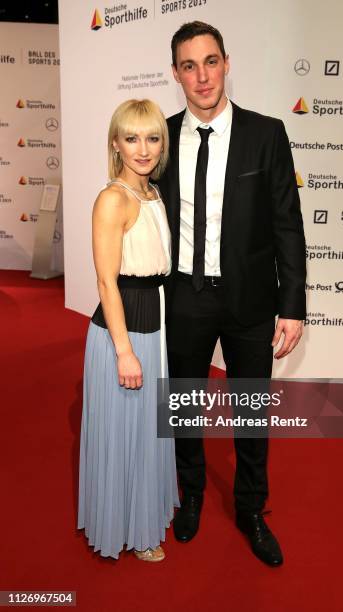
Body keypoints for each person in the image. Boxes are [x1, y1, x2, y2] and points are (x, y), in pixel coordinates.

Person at [157, 22, 306, 567]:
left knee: (250, 412)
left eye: (211, 61)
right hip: (185, 298)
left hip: (250, 303)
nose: (202, 76)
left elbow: (288, 224)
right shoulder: (162, 139)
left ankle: (250, 509)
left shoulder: (266, 134)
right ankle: (191, 493)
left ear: (226, 63)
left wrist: (291, 305)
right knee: (186, 407)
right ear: (176, 73)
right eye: (190, 65)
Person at [78, 99, 179, 562]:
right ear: (116, 143)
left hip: (153, 325)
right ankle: (125, 529)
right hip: (124, 331)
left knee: (147, 430)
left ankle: (142, 515)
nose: (143, 149)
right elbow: (105, 281)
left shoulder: (153, 193)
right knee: (126, 433)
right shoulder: (113, 198)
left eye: (152, 137)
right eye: (132, 138)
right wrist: (123, 351)